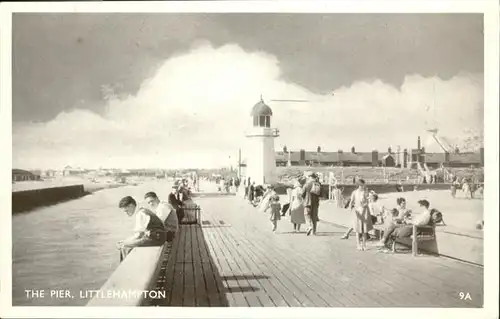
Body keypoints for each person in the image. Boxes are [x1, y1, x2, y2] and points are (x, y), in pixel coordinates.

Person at [116, 196, 167, 262]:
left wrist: (125, 242)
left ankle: (126, 267)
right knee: (126, 244)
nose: (126, 214)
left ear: (131, 205)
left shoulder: (140, 214)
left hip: (156, 239)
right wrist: (126, 240)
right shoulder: (143, 210)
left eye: (126, 211)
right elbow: (139, 234)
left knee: (123, 246)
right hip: (159, 237)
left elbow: (139, 235)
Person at [348, 179, 373, 250]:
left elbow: (368, 201)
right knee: (358, 229)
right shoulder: (354, 192)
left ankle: (364, 245)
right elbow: (351, 201)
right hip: (357, 212)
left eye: (363, 185)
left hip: (364, 211)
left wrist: (364, 204)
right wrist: (350, 207)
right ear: (358, 185)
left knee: (364, 229)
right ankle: (358, 245)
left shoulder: (365, 192)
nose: (363, 187)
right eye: (361, 185)